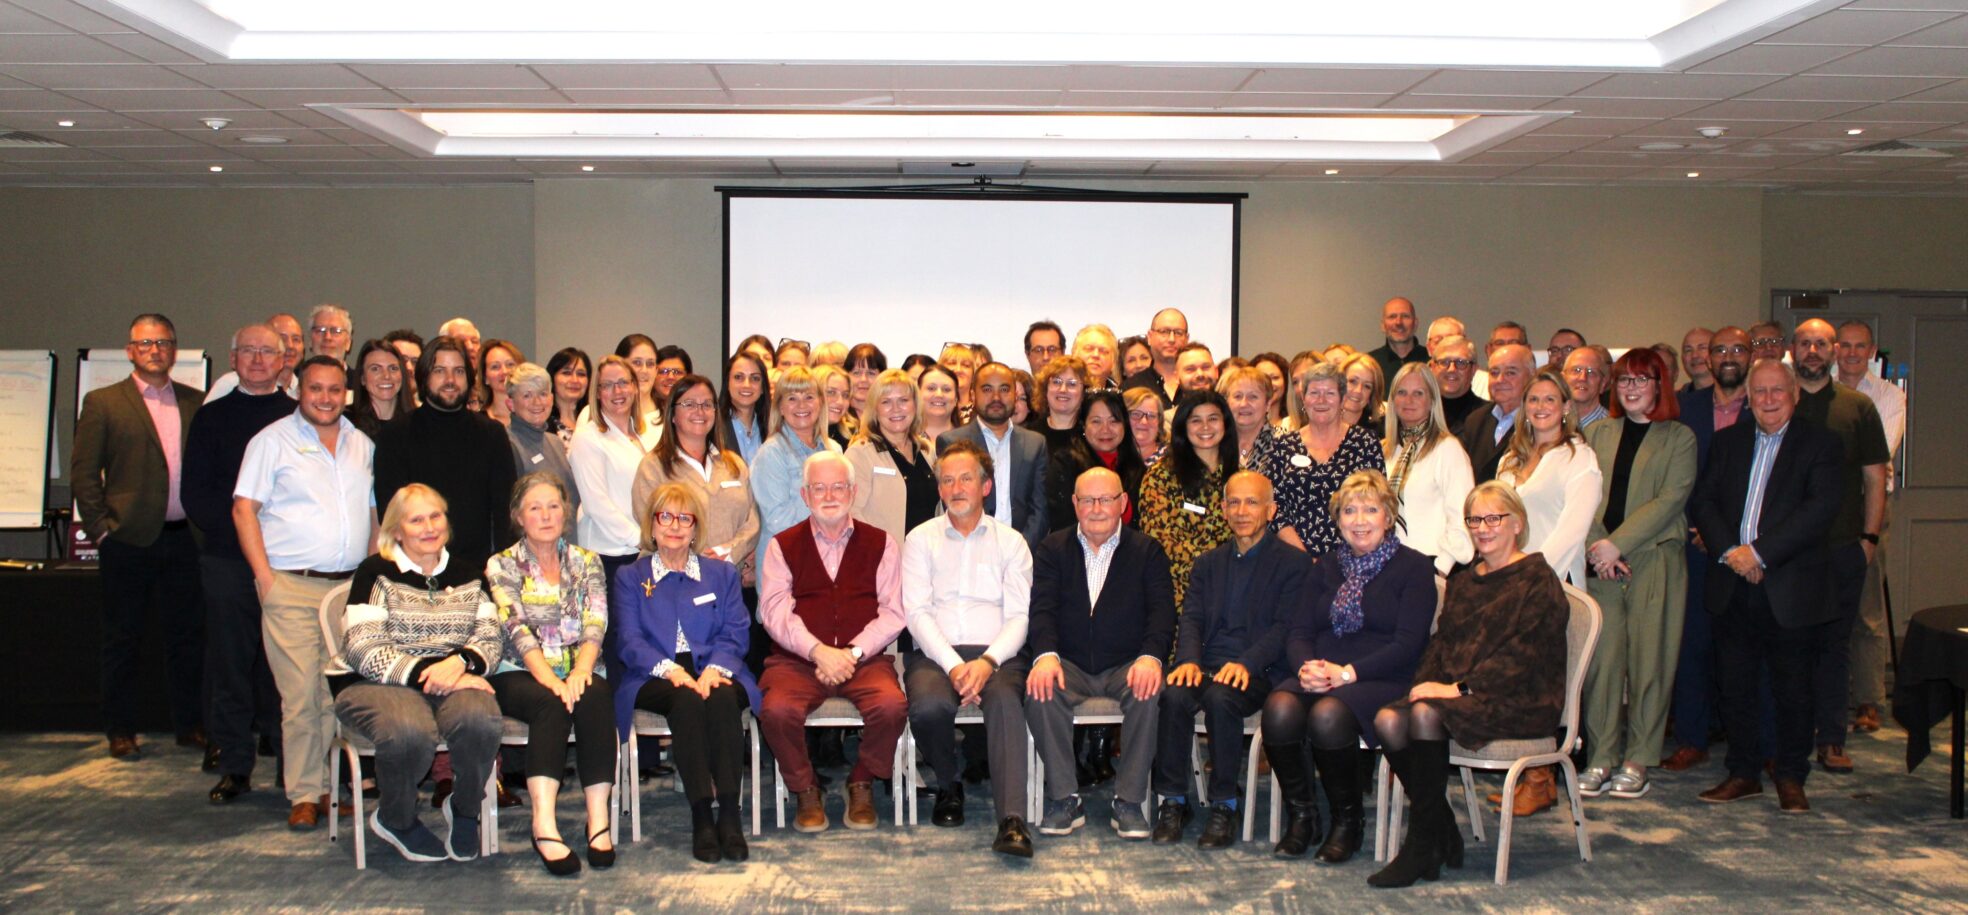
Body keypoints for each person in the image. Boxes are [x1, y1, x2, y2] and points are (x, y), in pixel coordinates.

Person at [1368, 481, 1569, 888]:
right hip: (1462, 695)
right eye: (1474, 519)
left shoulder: (1537, 580)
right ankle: (1440, 828)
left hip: (1519, 699)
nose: (1483, 527)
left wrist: (1456, 689)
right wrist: (1425, 685)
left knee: (1425, 714)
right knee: (1389, 718)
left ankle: (1422, 844)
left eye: (1494, 517)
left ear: (1518, 524)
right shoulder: (1465, 581)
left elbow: (1522, 659)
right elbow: (1441, 644)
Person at [1690, 360, 1843, 814]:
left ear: (1795, 394)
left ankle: (1791, 776)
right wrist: (1732, 554)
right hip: (1733, 584)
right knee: (1734, 686)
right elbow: (1705, 501)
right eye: (1760, 392)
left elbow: (1819, 511)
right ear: (1749, 397)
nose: (1769, 399)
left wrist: (1758, 554)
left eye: (1778, 391)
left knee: (1794, 690)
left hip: (1792, 588)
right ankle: (1743, 773)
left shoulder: (1822, 443)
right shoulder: (1727, 441)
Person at [1260, 470, 1433, 861]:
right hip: (1323, 670)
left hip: (1382, 676)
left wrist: (1347, 674)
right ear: (1337, 521)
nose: (1359, 520)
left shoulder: (1415, 568)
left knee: (1327, 715)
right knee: (1280, 707)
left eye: (1370, 510)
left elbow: (1408, 644)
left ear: (1388, 517)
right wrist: (1308, 668)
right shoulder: (1325, 568)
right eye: (1349, 511)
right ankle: (1303, 816)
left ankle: (1347, 822)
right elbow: (1299, 629)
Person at [334, 484, 504, 864]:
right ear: (396, 530)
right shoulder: (375, 572)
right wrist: (435, 673)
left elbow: (491, 637)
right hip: (377, 683)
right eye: (416, 519)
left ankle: (465, 810)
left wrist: (460, 664)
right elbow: (364, 647)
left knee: (481, 718)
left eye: (435, 516)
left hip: (455, 676)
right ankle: (396, 818)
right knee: (409, 729)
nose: (428, 527)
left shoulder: (468, 573)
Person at [1150, 471, 1314, 849]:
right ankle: (1173, 800)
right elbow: (1190, 617)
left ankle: (1225, 803)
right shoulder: (1208, 563)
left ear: (1271, 511)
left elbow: (1286, 628)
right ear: (1223, 510)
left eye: (1252, 502)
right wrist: (1187, 659)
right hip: (1206, 664)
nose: (1242, 511)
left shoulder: (1293, 564)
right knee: (1173, 694)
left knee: (1221, 698)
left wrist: (1247, 663)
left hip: (1259, 670)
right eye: (1234, 503)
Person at [72, 313, 206, 761]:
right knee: (122, 639)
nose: (155, 350)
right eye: (145, 343)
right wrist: (101, 531)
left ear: (174, 350)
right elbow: (84, 474)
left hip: (183, 539)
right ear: (131, 351)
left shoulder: (195, 401)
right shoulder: (104, 402)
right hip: (127, 541)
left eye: (163, 342)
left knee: (187, 638)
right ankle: (121, 729)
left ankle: (188, 725)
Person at [757, 452, 909, 833]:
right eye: (819, 488)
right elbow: (774, 612)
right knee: (774, 710)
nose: (829, 495)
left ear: (853, 491)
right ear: (805, 495)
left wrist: (853, 653)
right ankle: (806, 788)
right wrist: (817, 651)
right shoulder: (781, 546)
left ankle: (862, 780)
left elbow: (893, 612)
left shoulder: (882, 544)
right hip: (797, 661)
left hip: (865, 659)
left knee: (892, 707)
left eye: (838, 486)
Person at [900, 439, 1037, 856]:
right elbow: (917, 613)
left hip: (999, 653)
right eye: (947, 480)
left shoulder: (1012, 542)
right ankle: (948, 783)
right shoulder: (920, 539)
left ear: (986, 486)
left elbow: (1019, 617)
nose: (956, 487)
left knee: (1006, 703)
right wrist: (957, 666)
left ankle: (1012, 818)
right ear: (939, 489)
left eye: (966, 478)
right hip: (936, 652)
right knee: (927, 706)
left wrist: (987, 661)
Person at [1026, 467, 1177, 840]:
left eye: (1106, 499)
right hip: (1070, 663)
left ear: (1123, 503)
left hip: (1127, 664)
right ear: (1075, 504)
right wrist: (1045, 654)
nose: (1096, 508)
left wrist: (1151, 657)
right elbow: (1041, 609)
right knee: (1039, 689)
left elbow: (1162, 613)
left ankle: (1128, 801)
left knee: (1149, 691)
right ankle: (1065, 798)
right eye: (1088, 500)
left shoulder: (1147, 551)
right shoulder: (1051, 549)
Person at [613, 482, 759, 862]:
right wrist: (670, 671)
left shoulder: (720, 574)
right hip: (653, 674)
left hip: (715, 664)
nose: (674, 526)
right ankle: (701, 815)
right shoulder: (631, 576)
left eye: (684, 518)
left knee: (724, 697)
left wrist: (714, 669)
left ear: (696, 527)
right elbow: (629, 640)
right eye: (665, 516)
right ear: (652, 524)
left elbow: (736, 630)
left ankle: (729, 813)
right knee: (687, 700)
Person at [1578, 348, 1698, 801]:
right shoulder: (1598, 434)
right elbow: (1584, 495)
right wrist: (1599, 546)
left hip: (1654, 560)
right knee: (1604, 665)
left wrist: (1618, 544)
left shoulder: (1679, 437)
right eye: (1624, 380)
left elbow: (1670, 500)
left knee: (1651, 661)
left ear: (1659, 386)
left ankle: (1638, 758)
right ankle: (1602, 756)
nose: (1631, 389)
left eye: (1642, 380)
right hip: (1601, 563)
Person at [183, 323, 294, 803]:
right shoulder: (211, 418)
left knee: (284, 669)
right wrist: (245, 536)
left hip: (286, 560)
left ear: (282, 359)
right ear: (233, 358)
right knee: (230, 664)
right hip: (228, 560)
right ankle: (234, 765)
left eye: (266, 351)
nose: (256, 359)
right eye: (247, 351)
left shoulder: (298, 416)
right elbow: (197, 496)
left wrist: (272, 541)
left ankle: (292, 766)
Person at [485, 473, 616, 874]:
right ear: (518, 517)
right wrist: (554, 680)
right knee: (550, 706)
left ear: (567, 511)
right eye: (535, 508)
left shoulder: (587, 561)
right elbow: (516, 630)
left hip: (579, 665)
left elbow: (596, 620)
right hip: (520, 671)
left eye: (554, 506)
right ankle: (544, 824)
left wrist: (580, 670)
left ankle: (599, 821)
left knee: (595, 697)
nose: (546, 515)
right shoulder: (502, 564)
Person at [1789, 318, 1890, 776]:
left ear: (1833, 352)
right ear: (1793, 349)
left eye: (1821, 343)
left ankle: (1831, 739)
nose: (1813, 350)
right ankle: (1789, 738)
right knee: (1788, 648)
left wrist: (1868, 539)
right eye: (1805, 342)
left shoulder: (1858, 407)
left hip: (1841, 549)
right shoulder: (1775, 401)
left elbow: (1874, 477)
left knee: (1834, 647)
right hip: (1785, 553)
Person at [1662, 326, 1753, 772]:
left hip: (1752, 549)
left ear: (1751, 355)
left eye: (1738, 348)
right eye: (1720, 350)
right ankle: (1692, 737)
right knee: (1692, 645)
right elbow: (1673, 476)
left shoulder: (1768, 404)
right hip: (1694, 546)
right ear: (1708, 360)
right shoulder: (1686, 408)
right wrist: (1697, 530)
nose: (1728, 356)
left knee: (1747, 650)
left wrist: (1731, 537)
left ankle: (1752, 743)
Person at [373, 336, 517, 574]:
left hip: (477, 573)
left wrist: (498, 568)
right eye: (440, 370)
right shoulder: (394, 436)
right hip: (413, 572)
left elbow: (505, 512)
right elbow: (390, 514)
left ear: (469, 378)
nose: (450, 380)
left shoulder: (491, 434)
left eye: (459, 371)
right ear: (423, 376)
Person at [1832, 319, 1904, 734]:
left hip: (1869, 503)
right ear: (1836, 349)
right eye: (1846, 346)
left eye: (1861, 347)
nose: (1853, 353)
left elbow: (1875, 452)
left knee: (1868, 606)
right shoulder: (1818, 389)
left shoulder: (1890, 396)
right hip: (1827, 505)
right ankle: (1831, 692)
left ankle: (1868, 699)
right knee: (1824, 601)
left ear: (1871, 351)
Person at [1253, 360, 1386, 556]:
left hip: (1354, 558)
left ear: (1342, 400)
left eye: (1330, 393)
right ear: (1304, 400)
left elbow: (1378, 502)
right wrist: (1305, 558)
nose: (1321, 400)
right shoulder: (1283, 446)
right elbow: (1274, 509)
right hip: (1294, 561)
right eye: (1314, 393)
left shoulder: (1365, 442)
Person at [1497, 369, 1602, 588]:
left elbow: (1572, 532)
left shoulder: (1580, 458)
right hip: (1506, 578)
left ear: (1566, 407)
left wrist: (1530, 575)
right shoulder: (1510, 460)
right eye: (1533, 399)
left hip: (1554, 581)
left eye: (1549, 399)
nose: (1540, 407)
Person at [1138, 390, 1236, 616]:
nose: (1205, 427)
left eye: (1213, 418)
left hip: (1233, 592)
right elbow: (1159, 538)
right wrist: (1216, 567)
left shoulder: (1240, 477)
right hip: (1178, 595)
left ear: (1225, 423)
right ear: (1183, 427)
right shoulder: (1161, 476)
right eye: (1196, 420)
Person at [936, 362, 1050, 549]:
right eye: (987, 389)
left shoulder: (1035, 444)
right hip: (967, 550)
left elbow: (1040, 509)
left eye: (1004, 389)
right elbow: (954, 504)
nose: (996, 397)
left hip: (1022, 553)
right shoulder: (951, 442)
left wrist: (1020, 549)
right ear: (973, 395)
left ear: (1015, 395)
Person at [751, 367, 844, 585]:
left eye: (809, 397)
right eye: (792, 398)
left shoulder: (836, 451)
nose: (801, 405)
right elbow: (778, 520)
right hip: (787, 567)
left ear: (820, 402)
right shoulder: (771, 453)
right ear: (780, 407)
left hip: (832, 564)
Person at [570, 354, 657, 585]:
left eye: (623, 383)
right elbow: (596, 504)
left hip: (641, 553)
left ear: (634, 387)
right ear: (597, 393)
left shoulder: (643, 434)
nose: (617, 392)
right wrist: (640, 539)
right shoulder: (588, 437)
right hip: (608, 556)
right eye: (607, 385)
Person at [1383, 363, 1476, 575]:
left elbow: (1463, 516)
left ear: (1432, 400)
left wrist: (1440, 568)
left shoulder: (1447, 449)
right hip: (1387, 565)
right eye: (1402, 392)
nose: (1409, 400)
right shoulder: (1386, 451)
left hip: (1429, 565)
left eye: (1418, 393)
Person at [845, 369, 938, 552]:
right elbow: (851, 513)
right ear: (874, 409)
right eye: (886, 402)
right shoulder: (860, 453)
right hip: (880, 561)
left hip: (925, 560)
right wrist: (881, 553)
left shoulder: (928, 451)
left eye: (903, 400)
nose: (896, 409)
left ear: (915, 405)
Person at [505, 363, 580, 522]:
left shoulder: (556, 442)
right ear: (510, 404)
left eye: (543, 394)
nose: (537, 402)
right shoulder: (507, 444)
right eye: (527, 395)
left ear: (551, 399)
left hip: (566, 540)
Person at [1457, 342, 1533, 483]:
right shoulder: (1475, 420)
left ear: (1531, 377)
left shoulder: (1538, 423)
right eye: (1494, 372)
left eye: (1510, 373)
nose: (1500, 380)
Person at [207, 313, 303, 401]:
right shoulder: (229, 383)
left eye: (296, 339)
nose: (290, 346)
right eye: (282, 339)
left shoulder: (305, 388)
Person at [349, 338, 414, 441]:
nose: (386, 376)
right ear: (362, 378)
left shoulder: (417, 423)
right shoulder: (347, 423)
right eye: (375, 369)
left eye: (393, 368)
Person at [1124, 308, 1190, 406]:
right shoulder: (1131, 387)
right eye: (1164, 332)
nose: (1171, 339)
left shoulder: (1197, 383)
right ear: (1150, 337)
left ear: (1187, 339)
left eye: (1178, 333)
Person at [1028, 355, 1092, 454]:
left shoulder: (1092, 436)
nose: (1063, 390)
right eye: (1056, 382)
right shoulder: (1030, 435)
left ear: (1084, 392)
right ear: (1046, 389)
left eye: (1072, 384)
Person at [718, 349, 771, 465]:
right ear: (727, 383)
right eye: (738, 377)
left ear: (763, 387)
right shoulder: (714, 428)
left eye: (755, 378)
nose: (747, 385)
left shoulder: (772, 429)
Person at [1429, 335, 1487, 433]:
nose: (1452, 369)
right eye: (1444, 362)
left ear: (1474, 370)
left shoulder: (1487, 417)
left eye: (1461, 362)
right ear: (1432, 368)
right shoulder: (1418, 412)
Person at [1367, 297, 1428, 388]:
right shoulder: (1370, 363)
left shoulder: (1431, 361)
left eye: (1405, 316)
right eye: (1392, 316)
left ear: (1415, 324)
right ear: (1383, 325)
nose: (1398, 322)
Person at [1219, 364, 1274, 464]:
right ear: (1227, 402)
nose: (1244, 404)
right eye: (1238, 396)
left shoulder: (1284, 443)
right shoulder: (1217, 442)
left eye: (1253, 397)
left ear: (1268, 404)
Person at [614, 334, 666, 433]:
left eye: (650, 364)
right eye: (637, 363)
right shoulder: (594, 414)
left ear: (656, 370)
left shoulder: (670, 418)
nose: (644, 370)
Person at [545, 347, 592, 446]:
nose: (575, 380)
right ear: (552, 378)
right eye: (566, 373)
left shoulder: (596, 421)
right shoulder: (541, 423)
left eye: (581, 374)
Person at [1563, 345, 1612, 430]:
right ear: (1562, 378)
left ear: (1603, 384)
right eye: (1576, 370)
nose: (1582, 378)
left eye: (1591, 372)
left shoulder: (1613, 430)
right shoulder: (1549, 423)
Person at [843, 342, 888, 432]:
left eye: (871, 373)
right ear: (846, 376)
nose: (863, 379)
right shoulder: (837, 416)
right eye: (856, 373)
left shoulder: (889, 417)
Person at [477, 339, 523, 424]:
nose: (504, 371)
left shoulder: (535, 417)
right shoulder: (477, 423)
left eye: (510, 364)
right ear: (485, 378)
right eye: (495, 367)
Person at [1338, 352, 1385, 430]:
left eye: (1367, 386)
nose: (1358, 390)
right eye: (1353, 381)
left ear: (1372, 396)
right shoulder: (1320, 423)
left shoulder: (1379, 433)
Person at [917, 362, 961, 444]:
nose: (939, 394)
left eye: (946, 389)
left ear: (956, 399)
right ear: (918, 395)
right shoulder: (904, 438)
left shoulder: (968, 440)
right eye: (931, 388)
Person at [1072, 323, 1124, 392]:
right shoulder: (1058, 393)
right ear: (1074, 354)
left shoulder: (1121, 398)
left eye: (1103, 351)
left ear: (1113, 361)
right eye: (1089, 349)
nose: (1095, 355)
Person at [814, 364, 855, 447]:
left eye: (845, 395)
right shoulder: (796, 436)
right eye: (831, 392)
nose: (840, 402)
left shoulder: (853, 438)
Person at [1125, 385, 1168, 464]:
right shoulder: (1108, 458)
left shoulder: (1172, 459)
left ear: (1159, 422)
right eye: (1136, 414)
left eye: (1151, 416)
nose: (1144, 421)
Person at [1251, 352, 1292, 427]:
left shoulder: (1295, 425)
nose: (1269, 383)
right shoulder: (1243, 426)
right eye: (1261, 378)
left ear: (1286, 382)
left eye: (1275, 378)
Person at [939, 342, 978, 417]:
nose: (958, 370)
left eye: (965, 365)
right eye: (952, 363)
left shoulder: (982, 413)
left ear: (973, 374)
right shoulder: (930, 409)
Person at [1681, 328, 1715, 393]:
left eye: (1702, 348)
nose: (1694, 355)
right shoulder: (1677, 400)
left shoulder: (1734, 397)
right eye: (1688, 350)